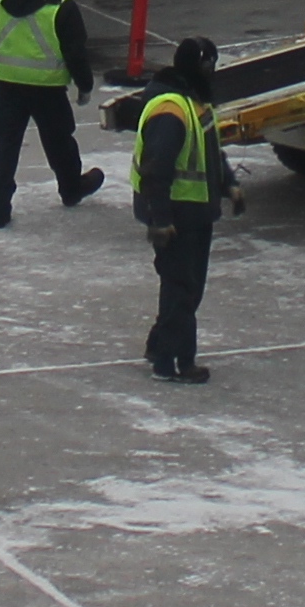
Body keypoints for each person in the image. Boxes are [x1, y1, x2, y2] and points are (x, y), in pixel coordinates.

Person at [131, 39, 236, 381]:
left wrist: (228, 183)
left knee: (185, 287)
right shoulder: (170, 110)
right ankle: (174, 362)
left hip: (196, 209)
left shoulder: (194, 103)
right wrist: (160, 219)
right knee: (182, 287)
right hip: (177, 211)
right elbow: (156, 169)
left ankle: (160, 344)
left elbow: (209, 150)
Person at [0, 0, 104, 228]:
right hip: (47, 89)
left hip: (7, 85)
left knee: (6, 145)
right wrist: (84, 85)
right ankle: (71, 188)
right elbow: (75, 52)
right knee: (59, 140)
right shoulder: (62, 5)